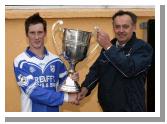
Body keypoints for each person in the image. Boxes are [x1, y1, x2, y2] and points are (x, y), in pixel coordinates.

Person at [78, 10, 153, 112]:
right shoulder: (110, 46)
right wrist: (85, 88)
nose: (120, 30)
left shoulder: (143, 48)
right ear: (113, 27)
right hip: (108, 110)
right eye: (117, 26)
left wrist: (108, 47)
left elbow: (130, 69)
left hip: (132, 111)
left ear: (134, 27)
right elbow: (97, 70)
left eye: (125, 26)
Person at [13, 13, 79, 112]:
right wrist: (67, 98)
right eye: (32, 33)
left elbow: (63, 87)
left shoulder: (56, 61)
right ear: (27, 34)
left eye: (40, 32)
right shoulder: (21, 61)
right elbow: (34, 92)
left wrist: (72, 80)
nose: (36, 37)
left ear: (45, 33)